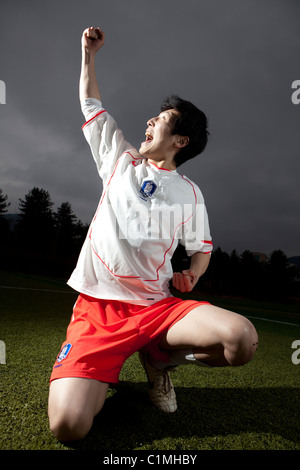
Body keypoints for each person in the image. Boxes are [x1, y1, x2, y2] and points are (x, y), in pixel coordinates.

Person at [48, 27, 258, 442]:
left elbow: (201, 249)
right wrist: (88, 54)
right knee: (69, 428)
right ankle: (101, 376)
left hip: (156, 309)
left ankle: (159, 361)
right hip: (99, 310)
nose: (149, 121)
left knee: (241, 341)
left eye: (159, 120)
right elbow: (90, 101)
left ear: (180, 140)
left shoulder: (190, 194)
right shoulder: (119, 159)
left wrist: (194, 275)